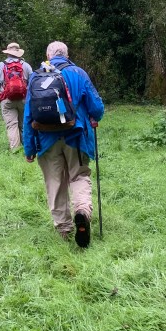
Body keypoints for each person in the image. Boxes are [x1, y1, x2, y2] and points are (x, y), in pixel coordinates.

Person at [23, 41, 104, 247]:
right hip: (75, 137)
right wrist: (93, 117)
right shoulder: (78, 73)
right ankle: (82, 211)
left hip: (46, 141)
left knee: (55, 183)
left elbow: (28, 115)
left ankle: (63, 230)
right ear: (67, 55)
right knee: (79, 176)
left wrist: (29, 148)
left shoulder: (36, 76)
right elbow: (97, 108)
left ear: (48, 55)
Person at [0, 42, 34, 151]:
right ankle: (27, 147)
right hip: (23, 99)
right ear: (18, 53)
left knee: (12, 125)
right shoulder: (26, 65)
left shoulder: (0, 66)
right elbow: (32, 83)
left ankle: (15, 149)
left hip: (7, 99)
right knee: (23, 124)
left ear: (7, 53)